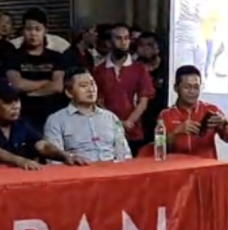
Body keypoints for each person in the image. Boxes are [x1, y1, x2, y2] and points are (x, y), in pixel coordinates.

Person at [0, 80, 78, 169]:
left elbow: (42, 145)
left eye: (17, 101)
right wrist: (20, 161)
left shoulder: (21, 124)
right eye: (8, 102)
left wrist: (65, 156)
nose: (15, 107)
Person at [94, 23, 155, 154]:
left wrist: (129, 122)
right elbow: (98, 102)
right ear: (110, 42)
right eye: (118, 38)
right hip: (106, 130)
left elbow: (143, 101)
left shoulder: (139, 69)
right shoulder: (99, 70)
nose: (123, 42)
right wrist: (117, 123)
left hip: (134, 131)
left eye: (126, 38)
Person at [43, 67, 127, 163]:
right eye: (83, 86)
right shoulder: (55, 120)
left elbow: (123, 152)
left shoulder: (112, 117)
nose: (91, 89)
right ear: (69, 93)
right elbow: (54, 161)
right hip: (79, 173)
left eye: (92, 84)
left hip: (113, 172)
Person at [3, 8, 67, 131]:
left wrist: (31, 93)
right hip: (22, 118)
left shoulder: (56, 57)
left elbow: (58, 86)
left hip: (52, 117)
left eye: (38, 29)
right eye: (29, 29)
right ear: (22, 31)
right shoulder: (12, 56)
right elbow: (16, 84)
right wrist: (46, 83)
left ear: (45, 31)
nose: (33, 34)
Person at [159, 65, 228, 158]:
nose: (192, 91)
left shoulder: (211, 110)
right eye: (187, 87)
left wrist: (224, 123)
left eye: (196, 87)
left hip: (206, 169)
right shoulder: (166, 115)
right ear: (176, 88)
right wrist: (177, 132)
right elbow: (159, 146)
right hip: (177, 169)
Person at [136, 31, 168, 143]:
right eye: (141, 45)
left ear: (158, 48)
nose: (145, 49)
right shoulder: (132, 69)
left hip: (162, 121)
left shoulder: (168, 68)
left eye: (149, 45)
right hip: (139, 122)